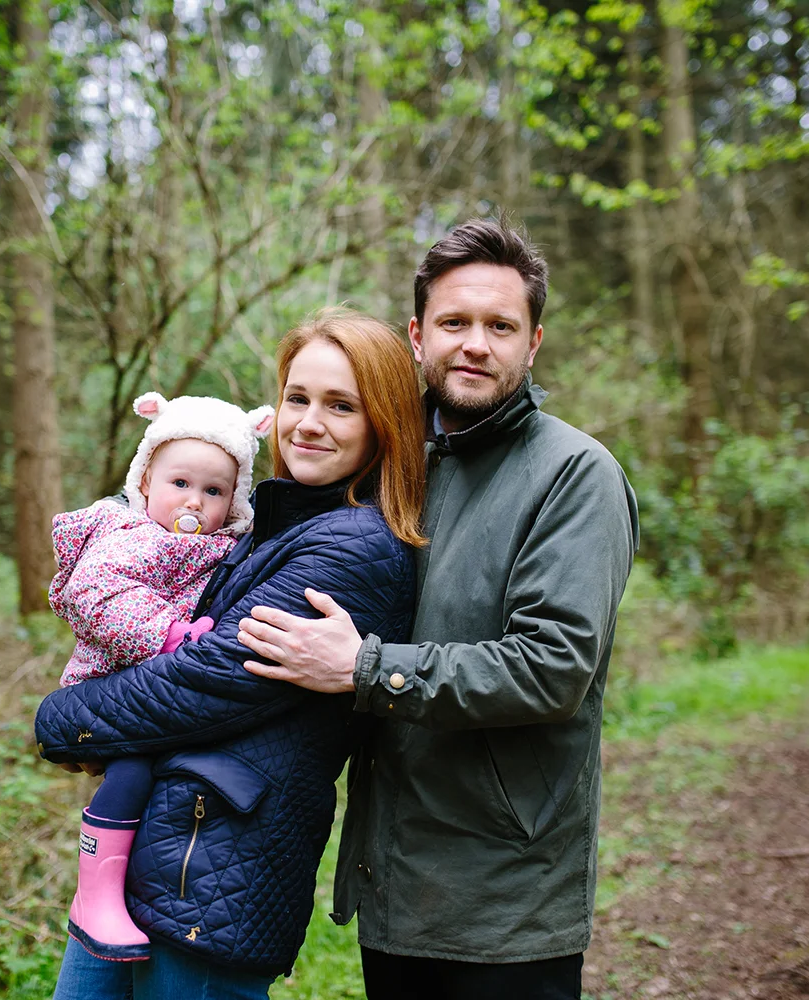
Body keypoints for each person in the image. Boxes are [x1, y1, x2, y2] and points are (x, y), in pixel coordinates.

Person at [238, 219, 640, 1000]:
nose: (475, 345)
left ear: (534, 342)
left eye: (501, 326)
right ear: (418, 336)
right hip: (393, 876)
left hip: (507, 893)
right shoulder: (388, 459)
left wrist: (365, 668)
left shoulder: (575, 476)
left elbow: (552, 668)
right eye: (454, 323)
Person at [35, 308, 427, 999]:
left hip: (216, 876)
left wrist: (59, 720)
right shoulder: (262, 526)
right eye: (297, 398)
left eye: (341, 406)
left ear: (384, 423)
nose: (309, 423)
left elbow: (207, 680)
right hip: (155, 853)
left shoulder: (355, 547)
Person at [47, 391, 275, 961]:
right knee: (131, 772)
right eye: (180, 483)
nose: (193, 500)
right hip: (109, 680)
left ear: (235, 500)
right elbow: (95, 594)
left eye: (214, 491)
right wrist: (169, 635)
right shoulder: (131, 534)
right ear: (145, 480)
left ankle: (119, 892)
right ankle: (94, 896)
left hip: (159, 689)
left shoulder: (218, 545)